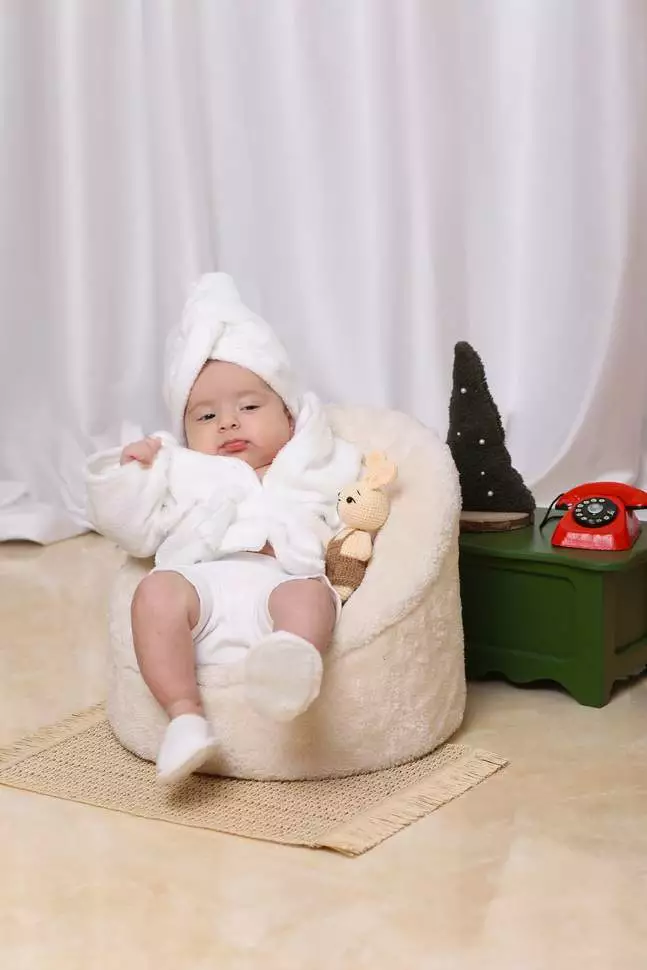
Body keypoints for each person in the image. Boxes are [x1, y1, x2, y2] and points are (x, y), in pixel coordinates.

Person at [86, 273, 359, 784]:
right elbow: (132, 532)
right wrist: (133, 476)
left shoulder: (309, 465)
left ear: (290, 416)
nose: (228, 423)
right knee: (154, 593)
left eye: (249, 407)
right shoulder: (185, 471)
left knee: (310, 596)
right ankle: (185, 717)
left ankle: (291, 664)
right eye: (206, 415)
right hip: (201, 589)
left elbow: (354, 509)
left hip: (278, 585)